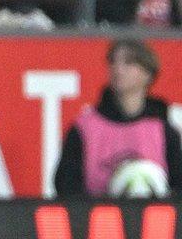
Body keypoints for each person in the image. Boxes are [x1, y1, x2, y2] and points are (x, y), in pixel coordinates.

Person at [55, 39, 182, 197]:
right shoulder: (83, 128)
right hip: (99, 219)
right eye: (113, 62)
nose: (118, 69)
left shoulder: (163, 131)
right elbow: (66, 186)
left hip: (155, 219)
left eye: (128, 62)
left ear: (148, 73)